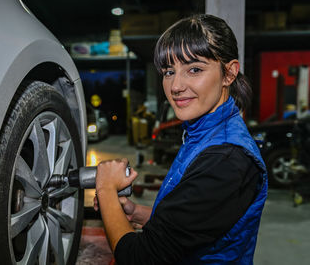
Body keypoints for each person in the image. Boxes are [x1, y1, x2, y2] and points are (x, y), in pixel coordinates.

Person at [94, 14, 268, 265]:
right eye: (168, 71)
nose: (175, 86)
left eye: (194, 69)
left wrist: (106, 188)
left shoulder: (227, 160)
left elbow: (139, 259)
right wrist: (140, 214)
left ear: (229, 74)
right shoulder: (204, 134)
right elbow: (199, 221)